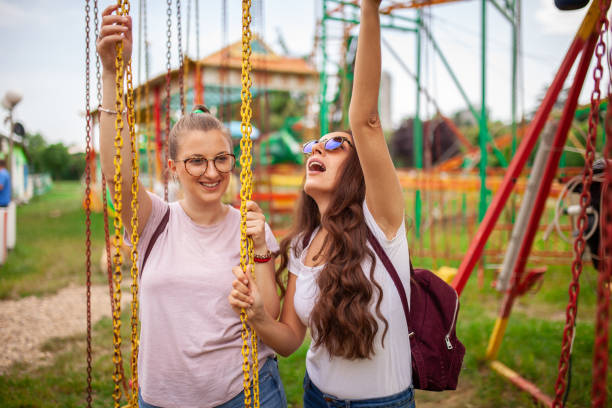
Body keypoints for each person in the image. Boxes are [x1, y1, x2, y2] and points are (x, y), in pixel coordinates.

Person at [96, 5, 286, 408]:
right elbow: (118, 172)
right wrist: (113, 74)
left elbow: (269, 317)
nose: (212, 172)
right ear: (173, 168)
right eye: (196, 161)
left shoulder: (249, 226)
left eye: (221, 158)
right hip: (164, 398)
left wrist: (263, 252)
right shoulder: (154, 221)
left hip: (246, 393)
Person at [229, 1, 415, 407]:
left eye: (334, 144)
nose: (318, 148)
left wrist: (369, 10)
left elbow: (365, 119)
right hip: (316, 398)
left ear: (357, 170)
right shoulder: (302, 245)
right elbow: (290, 340)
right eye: (312, 145)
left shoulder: (380, 223)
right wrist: (258, 315)